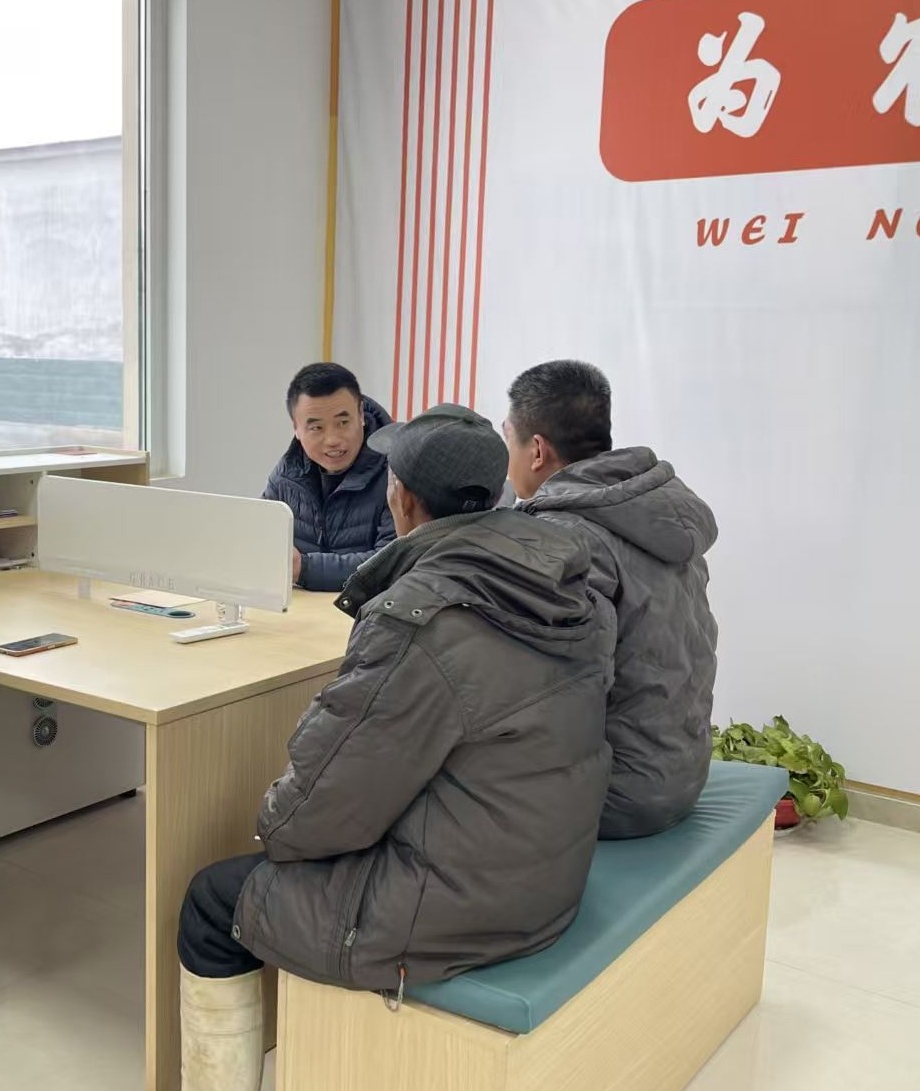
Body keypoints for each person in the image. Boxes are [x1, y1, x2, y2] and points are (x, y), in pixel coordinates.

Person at [178, 404, 612, 1091]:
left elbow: (313, 818)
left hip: (459, 912)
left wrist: (269, 824)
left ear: (402, 499)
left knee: (212, 899)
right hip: (546, 877)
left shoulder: (420, 620)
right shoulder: (563, 584)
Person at [503, 359, 719, 840]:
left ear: (536, 450)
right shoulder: (654, 510)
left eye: (507, 440)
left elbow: (557, 690)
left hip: (616, 799)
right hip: (683, 772)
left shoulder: (563, 537)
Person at [262, 362, 397, 592]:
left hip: (370, 609)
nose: (333, 439)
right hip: (302, 608)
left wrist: (303, 568)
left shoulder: (396, 471)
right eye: (317, 428)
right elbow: (259, 539)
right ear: (296, 428)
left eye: (343, 423)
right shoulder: (287, 473)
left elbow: (391, 563)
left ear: (361, 415)